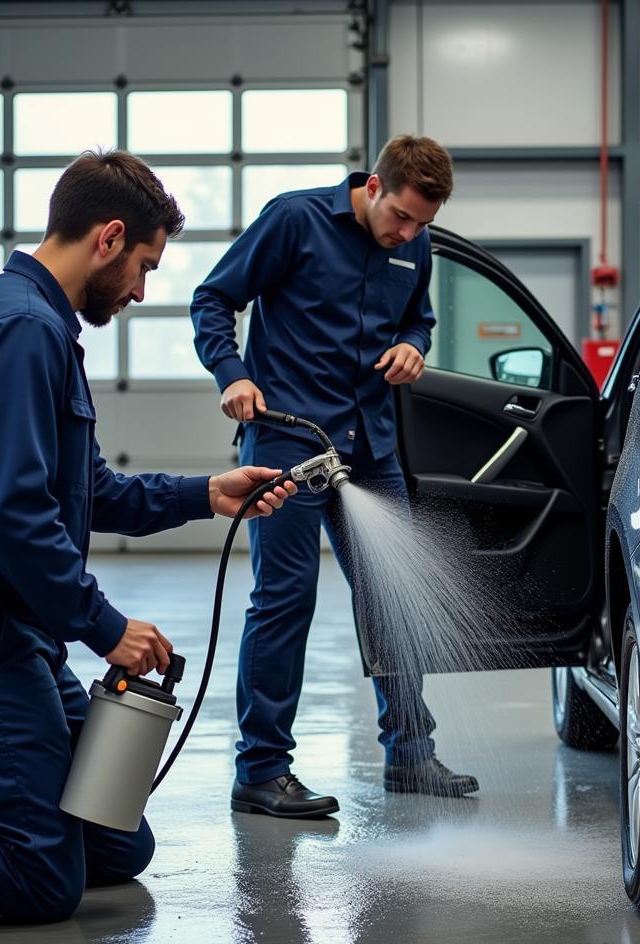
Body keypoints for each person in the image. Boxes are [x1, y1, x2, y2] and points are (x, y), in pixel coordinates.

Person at [0, 150, 297, 923]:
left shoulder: (42, 328)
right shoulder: (20, 330)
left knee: (116, 843)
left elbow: (87, 491)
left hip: (16, 631)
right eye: (145, 267)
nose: (141, 290)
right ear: (109, 236)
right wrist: (105, 628)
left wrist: (208, 495)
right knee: (40, 881)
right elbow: (10, 514)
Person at [191, 134, 478, 819]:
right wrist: (232, 375)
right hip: (287, 440)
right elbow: (212, 300)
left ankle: (411, 755)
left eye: (421, 225)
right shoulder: (294, 220)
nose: (407, 234)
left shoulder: (416, 243)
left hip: (369, 448)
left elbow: (419, 319)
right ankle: (260, 772)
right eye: (401, 218)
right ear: (373, 187)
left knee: (395, 598)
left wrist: (413, 345)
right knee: (284, 600)